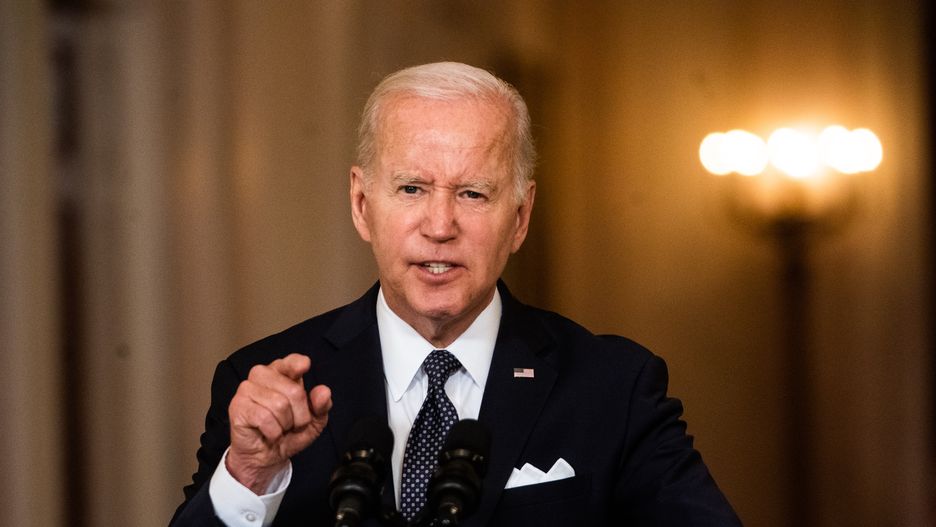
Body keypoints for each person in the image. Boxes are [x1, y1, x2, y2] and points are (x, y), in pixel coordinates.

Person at [170, 61, 741, 526]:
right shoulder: (267, 387)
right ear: (362, 204)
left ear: (520, 217)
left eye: (472, 193)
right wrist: (247, 476)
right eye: (412, 188)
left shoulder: (613, 388)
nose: (440, 225)